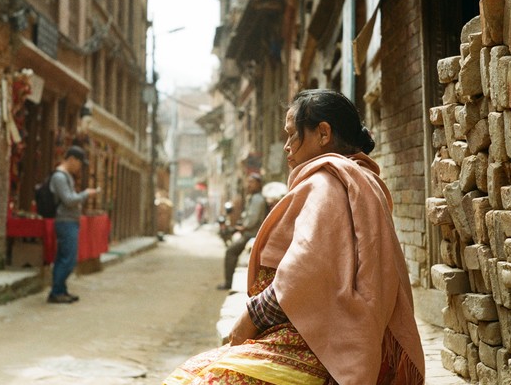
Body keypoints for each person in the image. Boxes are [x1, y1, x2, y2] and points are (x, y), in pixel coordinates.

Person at [164, 89, 425, 385]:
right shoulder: (362, 179)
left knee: (193, 379)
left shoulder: (326, 183)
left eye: (292, 134)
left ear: (323, 133)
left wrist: (250, 318)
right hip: (337, 334)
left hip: (316, 341)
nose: (287, 146)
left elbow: (301, 275)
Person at [47, 145, 99, 304]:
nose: (80, 167)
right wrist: (85, 194)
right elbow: (69, 200)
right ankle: (56, 292)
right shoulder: (59, 177)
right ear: (71, 159)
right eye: (79, 163)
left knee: (64, 258)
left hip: (70, 221)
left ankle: (61, 290)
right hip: (65, 222)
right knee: (68, 259)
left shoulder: (66, 176)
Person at [216, 173, 266, 290]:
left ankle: (228, 283)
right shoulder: (253, 198)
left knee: (230, 252)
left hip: (251, 234)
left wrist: (243, 227)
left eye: (252, 182)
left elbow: (252, 220)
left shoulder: (258, 199)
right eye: (248, 182)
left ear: (259, 184)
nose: (249, 185)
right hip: (249, 232)